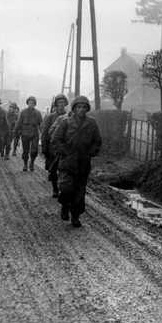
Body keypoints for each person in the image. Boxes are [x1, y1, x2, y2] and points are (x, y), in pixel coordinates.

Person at [51, 96, 102, 227]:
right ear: (74, 108)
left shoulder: (92, 123)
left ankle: (75, 216)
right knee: (66, 188)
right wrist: (64, 152)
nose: (81, 110)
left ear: (87, 109)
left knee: (79, 192)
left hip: (83, 163)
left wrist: (92, 151)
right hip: (67, 162)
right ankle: (64, 205)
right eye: (79, 107)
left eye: (84, 107)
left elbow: (97, 141)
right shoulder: (66, 122)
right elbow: (56, 139)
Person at [41, 94, 69, 198]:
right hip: (52, 149)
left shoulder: (69, 116)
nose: (61, 105)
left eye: (63, 103)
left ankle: (63, 189)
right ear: (55, 105)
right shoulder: (50, 117)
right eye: (59, 103)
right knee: (53, 170)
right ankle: (55, 189)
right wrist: (44, 147)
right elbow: (45, 133)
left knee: (64, 171)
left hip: (64, 149)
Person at [15, 96, 43, 171]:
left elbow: (41, 124)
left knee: (34, 150)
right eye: (30, 103)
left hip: (34, 134)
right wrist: (16, 132)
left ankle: (32, 163)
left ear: (35, 104)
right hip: (25, 133)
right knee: (25, 151)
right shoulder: (23, 112)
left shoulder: (38, 113)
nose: (31, 104)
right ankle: (25, 164)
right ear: (27, 103)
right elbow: (19, 123)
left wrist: (42, 134)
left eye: (33, 103)